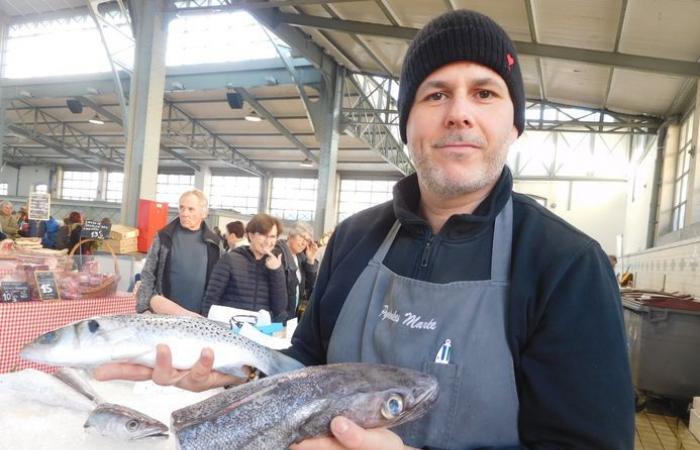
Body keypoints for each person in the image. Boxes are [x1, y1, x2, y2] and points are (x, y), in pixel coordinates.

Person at [94, 10, 634, 449]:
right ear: (408, 125)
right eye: (436, 94)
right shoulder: (355, 239)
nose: (459, 113)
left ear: (514, 123)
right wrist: (237, 376)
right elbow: (302, 370)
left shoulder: (565, 264)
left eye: (486, 93)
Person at [136, 190, 222, 316]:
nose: (184, 213)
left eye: (190, 209)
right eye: (182, 208)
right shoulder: (164, 237)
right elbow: (148, 273)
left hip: (199, 318)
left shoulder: (214, 243)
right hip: (165, 314)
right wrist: (143, 308)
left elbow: (219, 283)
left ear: (204, 212)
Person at [201, 213, 287, 321]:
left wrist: (276, 272)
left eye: (272, 236)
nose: (268, 241)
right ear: (251, 236)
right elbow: (210, 300)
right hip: (230, 328)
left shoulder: (275, 264)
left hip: (259, 331)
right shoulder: (230, 260)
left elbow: (280, 309)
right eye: (263, 235)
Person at [273, 221, 319, 320]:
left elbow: (310, 286)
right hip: (278, 316)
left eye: (307, 240)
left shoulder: (301, 258)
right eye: (302, 237)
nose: (303, 243)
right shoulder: (278, 253)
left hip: (293, 314)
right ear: (291, 235)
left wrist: (310, 260)